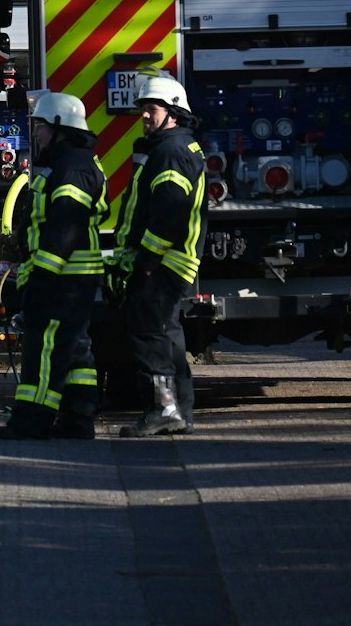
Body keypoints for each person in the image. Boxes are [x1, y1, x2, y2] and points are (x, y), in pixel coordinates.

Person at [0, 91, 108, 440]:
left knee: (44, 348)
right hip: (71, 277)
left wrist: (43, 275)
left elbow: (65, 226)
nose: (36, 133)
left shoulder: (72, 167)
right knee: (74, 348)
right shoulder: (70, 163)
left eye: (41, 126)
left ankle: (32, 420)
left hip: (63, 278)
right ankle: (77, 417)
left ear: (60, 127)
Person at [117, 73, 207, 437]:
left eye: (151, 109)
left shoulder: (171, 152)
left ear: (173, 112)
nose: (144, 115)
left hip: (164, 261)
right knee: (167, 335)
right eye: (143, 108)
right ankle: (180, 411)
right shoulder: (175, 147)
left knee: (150, 334)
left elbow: (170, 213)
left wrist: (147, 260)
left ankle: (164, 410)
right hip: (173, 260)